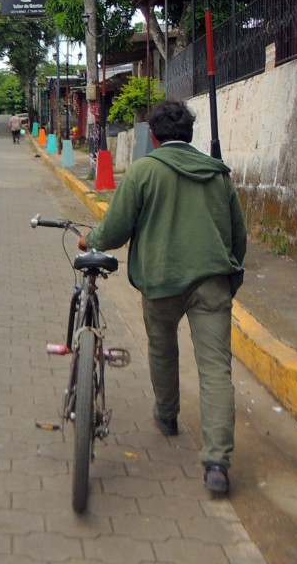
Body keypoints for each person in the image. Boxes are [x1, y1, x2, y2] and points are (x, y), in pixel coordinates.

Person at [77, 100, 246, 497]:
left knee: (163, 349)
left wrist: (92, 239)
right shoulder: (219, 175)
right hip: (212, 281)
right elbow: (238, 237)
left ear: (153, 137)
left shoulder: (143, 171)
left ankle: (167, 416)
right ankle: (218, 463)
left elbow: (115, 230)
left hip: (160, 279)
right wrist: (229, 275)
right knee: (216, 370)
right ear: (190, 135)